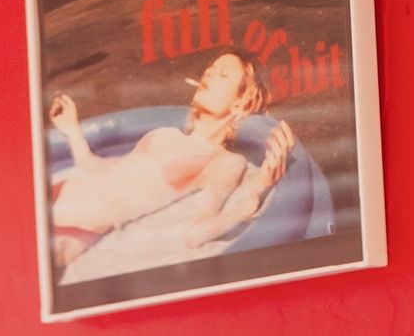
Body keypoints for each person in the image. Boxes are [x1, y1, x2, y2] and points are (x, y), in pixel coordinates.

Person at [48, 55, 298, 271]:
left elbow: (197, 233)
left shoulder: (225, 162)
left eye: (222, 75)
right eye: (209, 70)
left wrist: (255, 193)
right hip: (61, 191)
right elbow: (101, 171)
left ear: (241, 102)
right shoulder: (164, 134)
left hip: (75, 230)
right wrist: (73, 131)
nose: (209, 75)